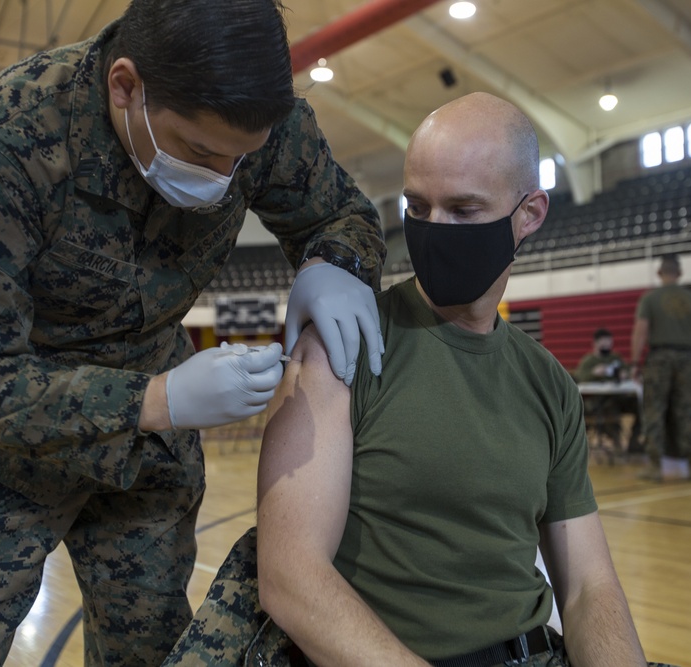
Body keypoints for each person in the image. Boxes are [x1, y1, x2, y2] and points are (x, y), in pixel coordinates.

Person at [0, 1, 387, 665]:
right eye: (202, 151)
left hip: (142, 464)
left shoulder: (259, 122)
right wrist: (153, 402)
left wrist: (336, 260)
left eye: (243, 159)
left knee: (149, 652)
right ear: (126, 87)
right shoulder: (2, 145)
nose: (224, 177)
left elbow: (343, 213)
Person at [253, 93, 660, 666]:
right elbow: (291, 578)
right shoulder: (343, 346)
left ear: (530, 215)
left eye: (463, 210)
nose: (433, 230)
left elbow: (588, 587)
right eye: (417, 208)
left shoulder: (549, 384)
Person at [629, 254, 691, 482]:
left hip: (659, 358)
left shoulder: (650, 299)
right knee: (689, 410)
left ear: (660, 273)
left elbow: (641, 331)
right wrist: (689, 348)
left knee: (654, 410)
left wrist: (635, 362)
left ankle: (655, 466)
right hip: (688, 359)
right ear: (680, 273)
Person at [575, 328, 633, 452]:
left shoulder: (616, 358)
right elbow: (579, 377)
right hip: (596, 401)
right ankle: (616, 441)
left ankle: (635, 445)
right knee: (609, 407)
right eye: (603, 342)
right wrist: (593, 373)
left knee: (641, 405)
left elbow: (627, 371)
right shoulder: (589, 361)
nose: (607, 345)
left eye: (609, 342)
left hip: (618, 397)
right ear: (595, 343)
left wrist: (625, 374)